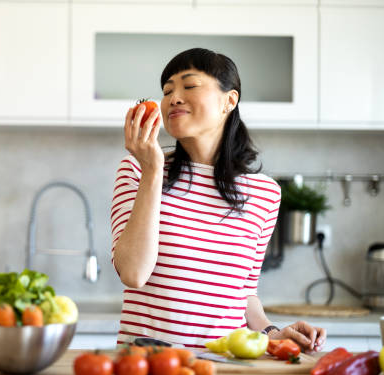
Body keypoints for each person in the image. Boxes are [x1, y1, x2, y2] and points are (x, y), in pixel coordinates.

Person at [110, 48, 326, 353]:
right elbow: (133, 273)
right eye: (167, 90)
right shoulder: (136, 170)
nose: (174, 97)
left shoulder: (265, 193)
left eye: (189, 85)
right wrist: (153, 170)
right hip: (147, 367)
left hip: (224, 369)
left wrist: (272, 331)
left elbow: (243, 293)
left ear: (230, 100)